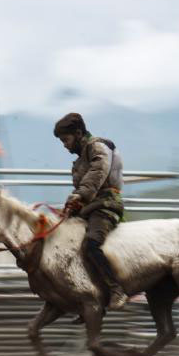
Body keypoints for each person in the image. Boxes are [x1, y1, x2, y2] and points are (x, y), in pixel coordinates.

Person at [54, 112, 127, 310]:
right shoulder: (80, 160)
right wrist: (72, 206)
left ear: (78, 133)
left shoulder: (98, 147)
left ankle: (116, 289)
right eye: (62, 141)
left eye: (66, 140)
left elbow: (98, 171)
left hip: (106, 205)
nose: (65, 145)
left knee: (91, 244)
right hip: (89, 208)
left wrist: (80, 194)